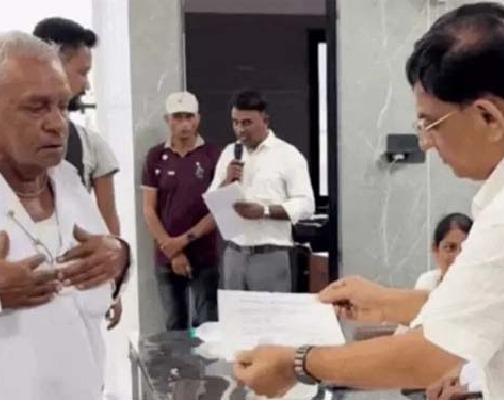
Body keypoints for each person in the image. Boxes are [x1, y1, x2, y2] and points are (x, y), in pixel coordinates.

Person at [232, 3, 504, 399]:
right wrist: (387, 302)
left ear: (488, 117)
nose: (425, 142)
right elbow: (500, 299)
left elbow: (429, 355)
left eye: (430, 123)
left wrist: (297, 363)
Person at [0, 31, 129, 400]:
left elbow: (103, 257)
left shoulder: (68, 180)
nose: (57, 123)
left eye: (63, 106)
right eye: (36, 107)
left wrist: (119, 257)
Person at [33, 17, 122, 329]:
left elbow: (107, 221)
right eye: (82, 72)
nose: (86, 85)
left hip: (78, 288)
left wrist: (114, 277)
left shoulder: (88, 145)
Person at [208, 89, 314, 292]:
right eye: (235, 122)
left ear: (265, 120)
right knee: (234, 312)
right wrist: (226, 183)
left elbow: (306, 205)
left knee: (270, 313)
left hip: (270, 255)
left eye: (247, 123)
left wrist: (264, 212)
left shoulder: (288, 155)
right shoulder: (229, 153)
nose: (240, 130)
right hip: (234, 254)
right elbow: (213, 203)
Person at [142, 91, 220, 331]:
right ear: (167, 120)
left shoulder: (213, 155)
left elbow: (218, 209)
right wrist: (172, 250)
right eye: (178, 117)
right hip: (166, 257)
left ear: (198, 119)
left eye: (189, 116)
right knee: (174, 324)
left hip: (205, 256)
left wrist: (183, 241)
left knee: (208, 325)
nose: (184, 124)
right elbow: (148, 209)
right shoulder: (156, 156)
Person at [414, 212, 472, 291]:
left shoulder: (482, 287)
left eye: (466, 249)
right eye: (450, 248)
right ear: (435, 249)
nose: (457, 256)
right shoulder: (427, 284)